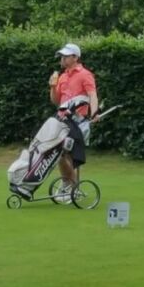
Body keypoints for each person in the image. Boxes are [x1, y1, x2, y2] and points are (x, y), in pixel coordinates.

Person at [48, 43, 99, 201]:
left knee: (67, 153)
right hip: (62, 120)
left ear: (75, 57)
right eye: (61, 56)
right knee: (58, 154)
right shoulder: (62, 77)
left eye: (66, 56)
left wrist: (95, 112)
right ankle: (69, 185)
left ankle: (70, 187)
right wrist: (52, 87)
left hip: (78, 121)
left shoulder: (85, 74)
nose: (62, 59)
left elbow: (92, 95)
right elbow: (56, 101)